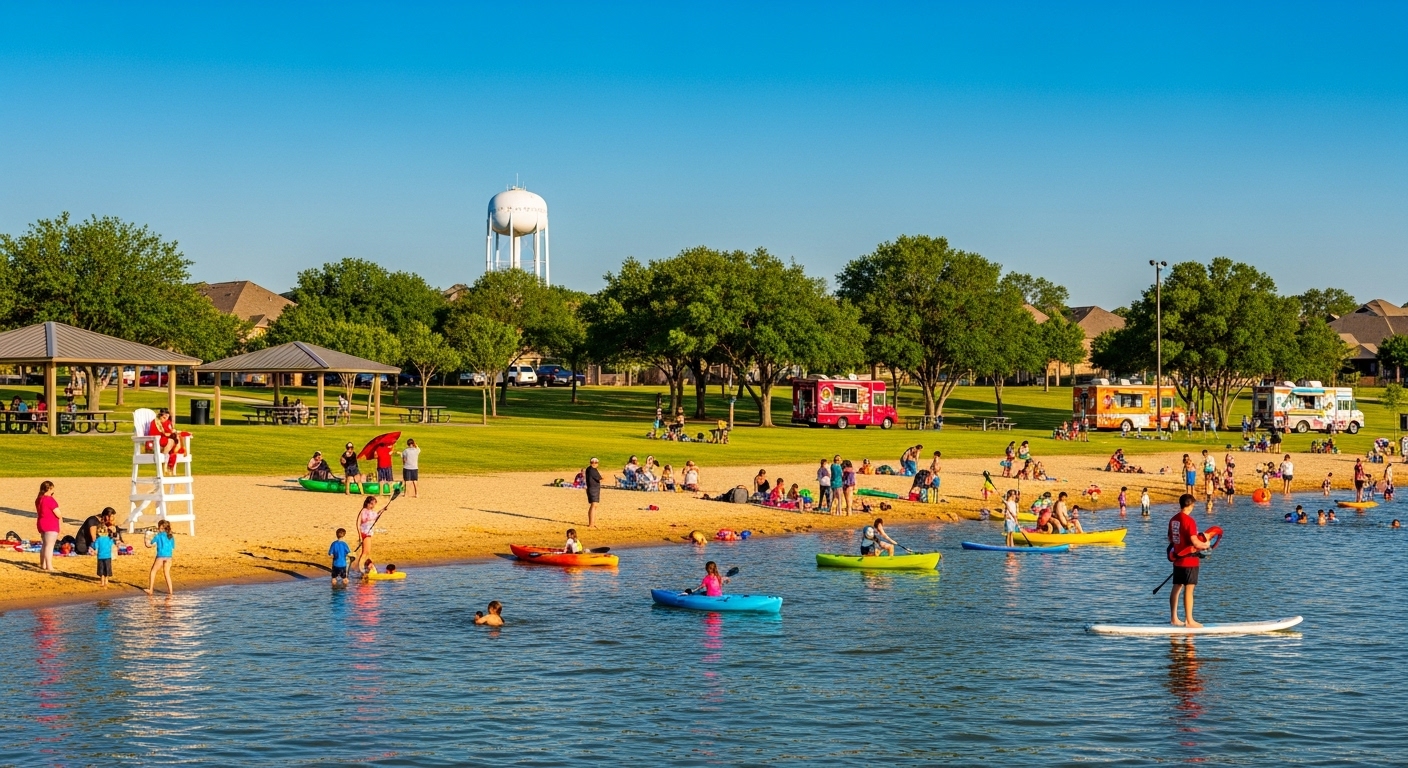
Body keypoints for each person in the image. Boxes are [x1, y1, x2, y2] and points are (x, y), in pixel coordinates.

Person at [1168, 493, 1212, 627]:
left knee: (1177, 586)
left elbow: (1170, 538)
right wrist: (1206, 544)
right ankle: (1189, 620)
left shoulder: (1173, 519)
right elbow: (1194, 542)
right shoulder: (1189, 521)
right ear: (1190, 505)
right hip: (1189, 561)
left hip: (1178, 559)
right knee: (1189, 588)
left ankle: (1174, 618)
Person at [144, 519, 176, 596]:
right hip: (169, 556)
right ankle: (171, 591)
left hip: (161, 556)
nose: (158, 529)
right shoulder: (171, 536)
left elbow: (151, 543)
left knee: (153, 571)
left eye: (159, 528)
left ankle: (151, 590)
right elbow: (173, 546)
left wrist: (146, 541)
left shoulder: (158, 536)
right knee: (167, 573)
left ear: (162, 528)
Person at [35, 481, 61, 572]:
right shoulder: (50, 500)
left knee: (45, 545)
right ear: (49, 489)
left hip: (42, 523)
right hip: (50, 525)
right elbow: (58, 514)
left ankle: (43, 564)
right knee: (49, 546)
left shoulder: (39, 499)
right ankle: (49, 566)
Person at [357, 496, 379, 565]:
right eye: (371, 504)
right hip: (365, 533)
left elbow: (376, 516)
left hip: (368, 533)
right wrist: (360, 536)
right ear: (367, 503)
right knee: (365, 552)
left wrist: (382, 510)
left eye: (374, 504)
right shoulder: (363, 511)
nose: (373, 506)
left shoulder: (371, 511)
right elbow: (358, 523)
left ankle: (361, 567)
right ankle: (361, 568)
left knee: (367, 552)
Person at [94, 517, 114, 588]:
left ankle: (103, 582)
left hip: (101, 556)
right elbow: (111, 543)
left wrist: (95, 550)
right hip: (106, 556)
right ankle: (105, 581)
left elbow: (95, 545)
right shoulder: (108, 539)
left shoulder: (99, 539)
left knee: (102, 570)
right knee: (106, 570)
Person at [584, 458, 602, 528]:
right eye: (593, 462)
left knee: (594, 505)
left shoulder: (589, 469)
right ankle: (591, 524)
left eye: (595, 462)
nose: (594, 463)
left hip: (593, 488)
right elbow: (600, 478)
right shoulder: (592, 470)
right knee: (594, 505)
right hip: (593, 489)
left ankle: (592, 523)